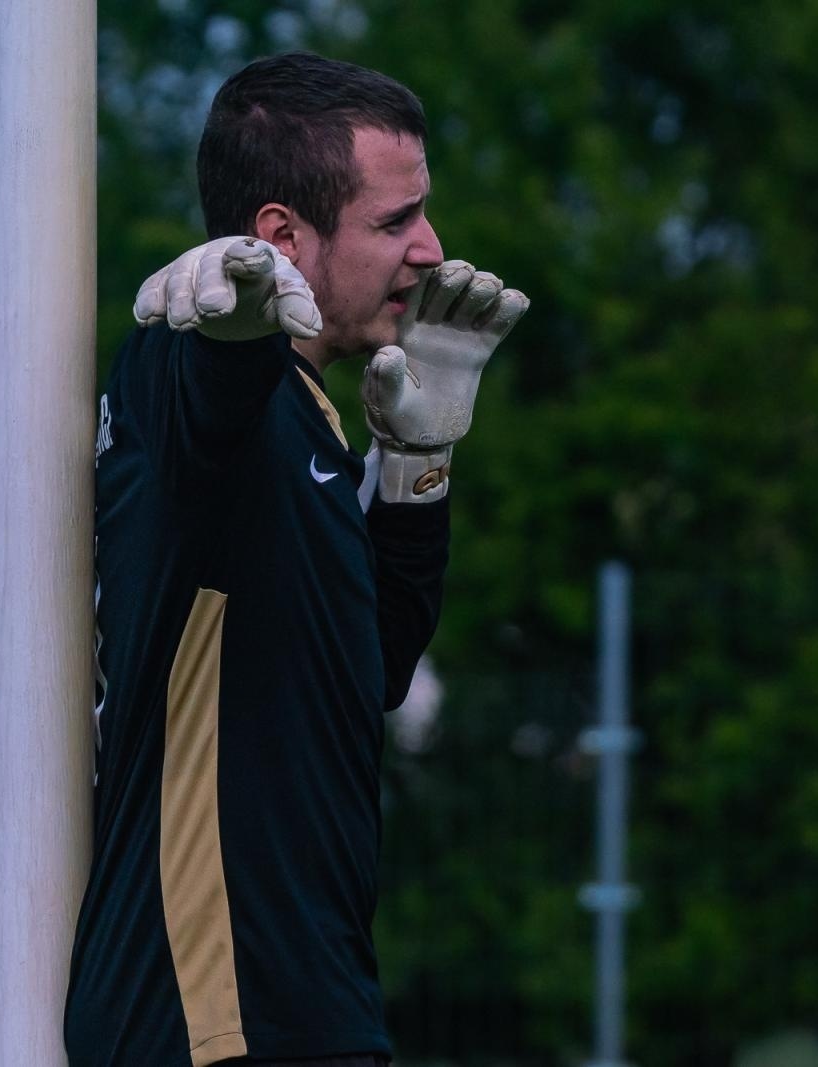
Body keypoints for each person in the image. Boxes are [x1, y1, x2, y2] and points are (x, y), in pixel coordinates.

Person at [62, 51, 528, 1067]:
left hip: (304, 1005)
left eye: (423, 214)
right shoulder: (186, 379)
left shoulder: (312, 421)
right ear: (279, 235)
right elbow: (199, 399)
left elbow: (371, 673)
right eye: (393, 221)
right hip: (211, 1011)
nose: (430, 249)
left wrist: (415, 465)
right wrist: (225, 330)